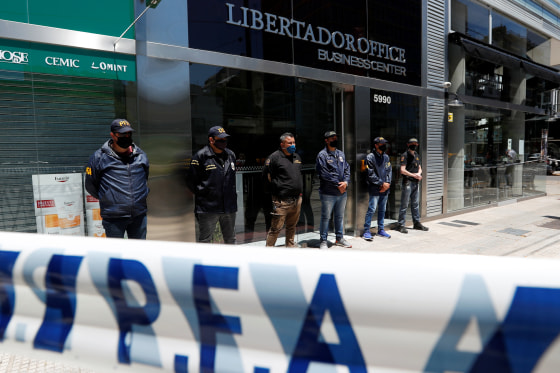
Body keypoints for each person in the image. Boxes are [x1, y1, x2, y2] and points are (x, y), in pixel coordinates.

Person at [85, 118, 149, 239]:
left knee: (139, 251)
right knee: (116, 254)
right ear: (113, 135)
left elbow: (145, 178)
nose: (126, 136)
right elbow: (90, 185)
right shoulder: (99, 157)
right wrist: (108, 197)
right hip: (113, 217)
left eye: (129, 133)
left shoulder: (141, 156)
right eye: (122, 134)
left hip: (139, 215)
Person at [186, 126, 237, 244]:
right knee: (205, 240)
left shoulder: (231, 155)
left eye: (225, 140)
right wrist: (206, 194)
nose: (223, 142)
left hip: (229, 206)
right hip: (208, 208)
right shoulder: (201, 156)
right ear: (211, 140)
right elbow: (191, 181)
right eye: (220, 140)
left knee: (231, 239)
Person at [262, 132, 303, 247]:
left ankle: (289, 249)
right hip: (281, 201)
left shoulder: (297, 157)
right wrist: (275, 192)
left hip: (297, 200)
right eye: (290, 143)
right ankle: (268, 253)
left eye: (294, 142)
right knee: (275, 229)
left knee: (291, 227)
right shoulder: (274, 158)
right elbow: (266, 177)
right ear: (282, 144)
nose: (293, 145)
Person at [316, 131, 351, 249]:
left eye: (336, 137)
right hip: (328, 192)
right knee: (326, 217)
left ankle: (339, 238)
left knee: (339, 216)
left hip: (342, 192)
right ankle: (323, 241)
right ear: (326, 140)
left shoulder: (340, 154)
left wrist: (345, 182)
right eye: (332, 138)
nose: (335, 139)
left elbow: (347, 168)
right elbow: (324, 174)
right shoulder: (322, 155)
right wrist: (339, 185)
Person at [396, 138, 429, 233]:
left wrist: (419, 174)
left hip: (415, 182)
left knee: (415, 204)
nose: (414, 145)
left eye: (415, 144)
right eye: (412, 144)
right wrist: (413, 175)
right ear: (408, 144)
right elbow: (402, 170)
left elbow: (419, 167)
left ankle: (416, 223)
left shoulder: (416, 155)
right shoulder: (405, 155)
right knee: (404, 204)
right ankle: (401, 224)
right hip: (408, 182)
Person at [362, 137, 392, 240]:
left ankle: (381, 230)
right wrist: (382, 183)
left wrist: (387, 183)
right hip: (375, 188)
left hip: (385, 188)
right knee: (372, 209)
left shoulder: (386, 157)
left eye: (385, 143)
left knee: (382, 210)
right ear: (376, 145)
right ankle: (366, 231)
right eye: (381, 143)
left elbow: (389, 171)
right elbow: (370, 175)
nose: (384, 145)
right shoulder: (370, 157)